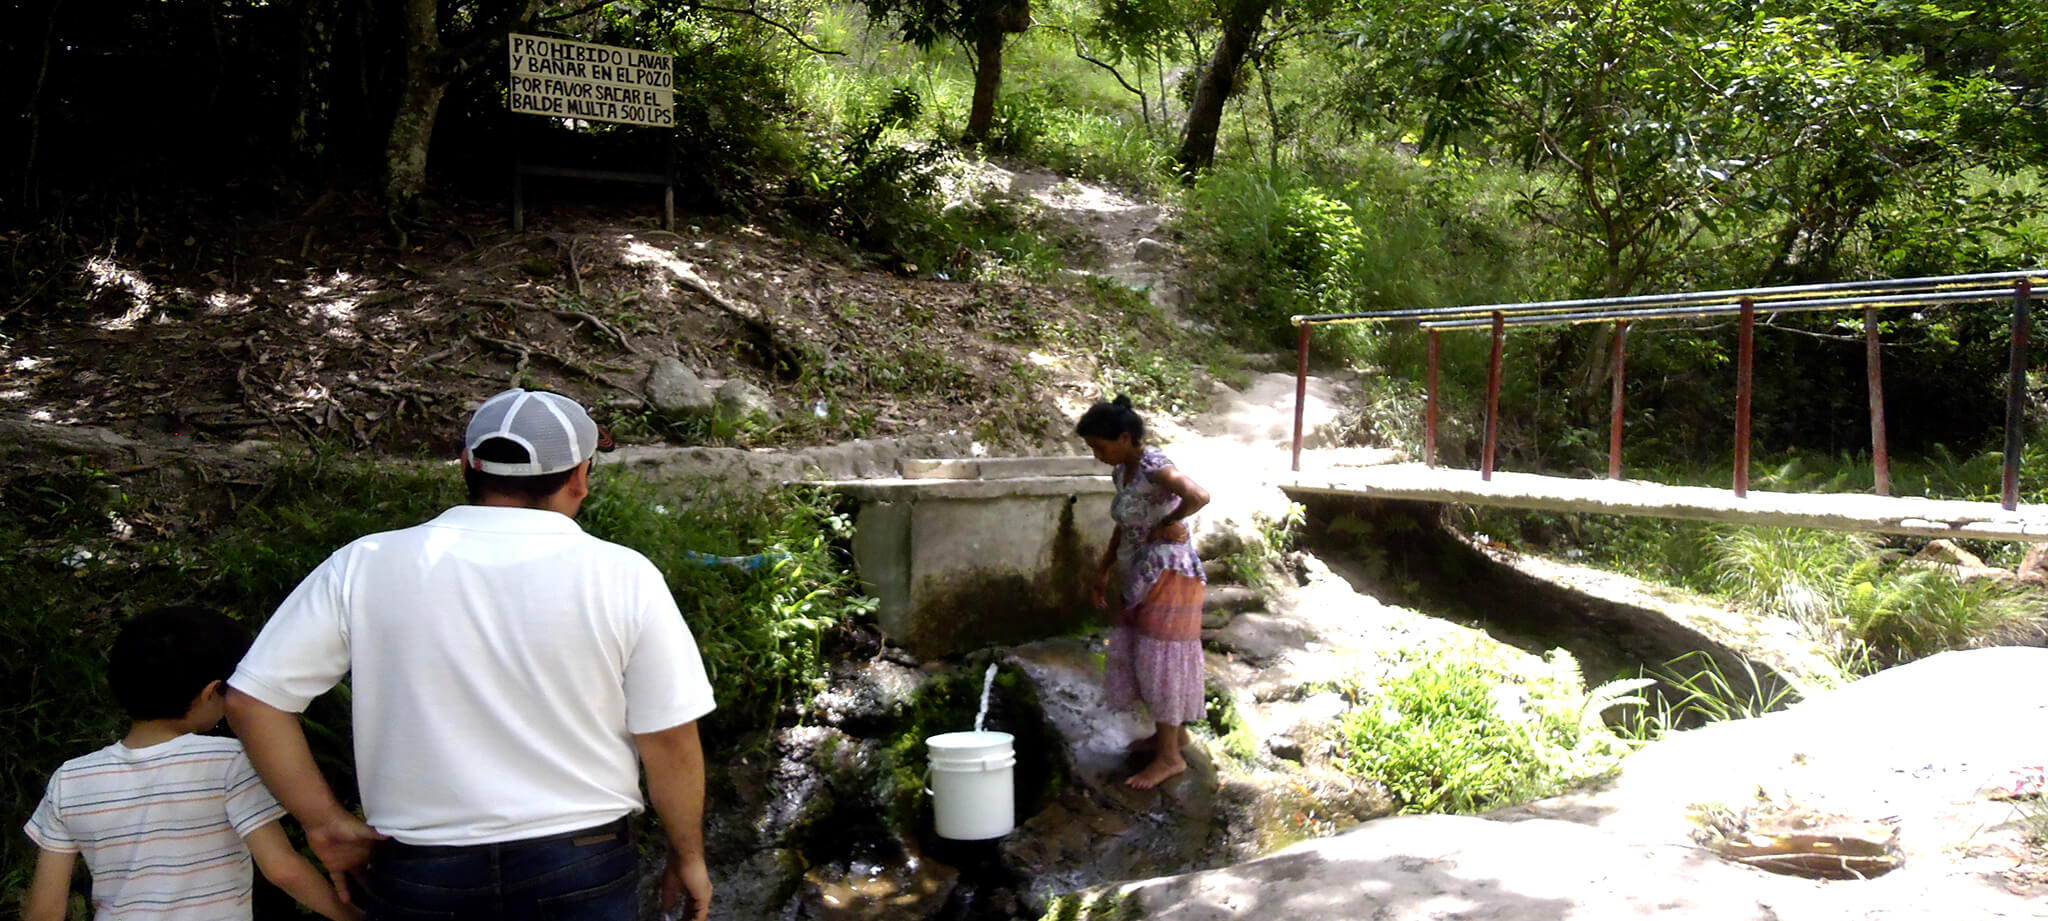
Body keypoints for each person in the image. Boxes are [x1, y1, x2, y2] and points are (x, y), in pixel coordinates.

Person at [224, 387, 718, 921]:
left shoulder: (363, 564)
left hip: (421, 872)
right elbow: (668, 737)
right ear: (580, 476)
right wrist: (687, 855)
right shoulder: (625, 575)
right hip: (580, 865)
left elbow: (255, 700)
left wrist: (323, 822)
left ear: (466, 466)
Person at [22, 606, 360, 921]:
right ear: (212, 692)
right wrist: (353, 917)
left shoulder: (70, 780)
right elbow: (282, 869)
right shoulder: (229, 762)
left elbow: (44, 911)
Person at [1077, 395, 1212, 789]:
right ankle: (1171, 736)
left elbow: (1199, 495)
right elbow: (1125, 522)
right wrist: (1102, 570)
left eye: (1100, 447)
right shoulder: (1122, 471)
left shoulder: (1155, 467)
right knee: (1146, 654)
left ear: (1124, 437)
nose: (1097, 454)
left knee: (1161, 657)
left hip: (1168, 573)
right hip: (1140, 572)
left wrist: (1167, 522)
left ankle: (1170, 759)